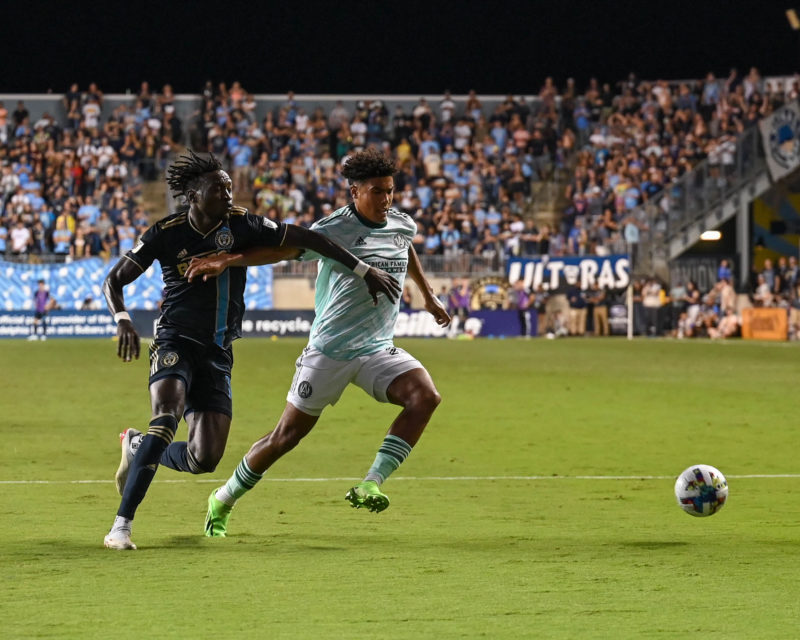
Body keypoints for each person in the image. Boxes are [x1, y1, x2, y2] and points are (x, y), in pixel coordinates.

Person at [101, 150, 400, 551]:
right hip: (175, 340)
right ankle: (121, 526)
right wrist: (122, 319)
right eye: (218, 187)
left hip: (218, 352)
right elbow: (114, 280)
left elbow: (311, 239)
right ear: (193, 193)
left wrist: (363, 270)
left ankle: (136, 446)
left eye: (229, 186)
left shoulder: (244, 224)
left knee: (203, 458)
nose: (228, 193)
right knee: (166, 418)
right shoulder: (165, 232)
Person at [185, 148, 451, 537]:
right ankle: (223, 498)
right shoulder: (333, 229)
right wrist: (228, 259)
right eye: (377, 192)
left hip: (377, 348)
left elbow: (405, 246)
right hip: (330, 351)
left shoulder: (401, 224)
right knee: (285, 438)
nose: (386, 199)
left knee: (426, 396)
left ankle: (371, 482)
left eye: (390, 191)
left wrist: (426, 295)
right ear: (354, 191)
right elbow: (283, 251)